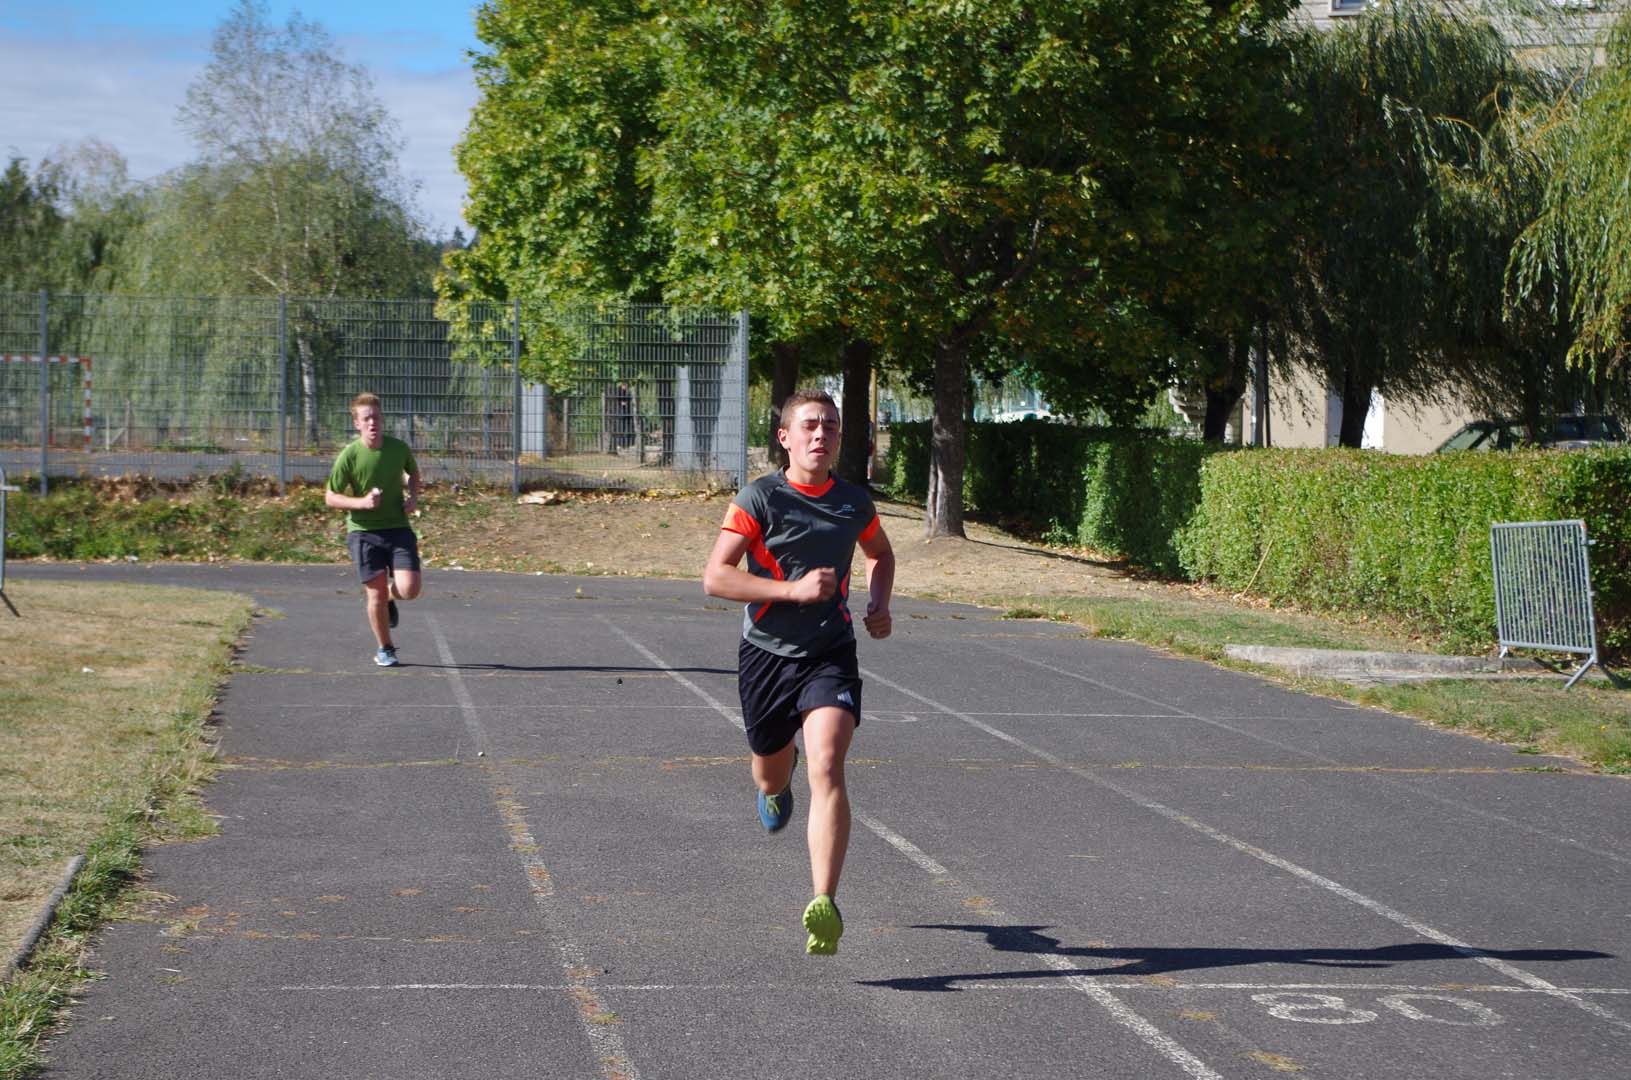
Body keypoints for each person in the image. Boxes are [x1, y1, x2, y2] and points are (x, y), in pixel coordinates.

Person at [703, 389, 895, 955]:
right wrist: (792, 590)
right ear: (784, 438)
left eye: (831, 427)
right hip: (765, 653)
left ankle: (824, 902)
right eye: (810, 425)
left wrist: (879, 604)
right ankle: (773, 787)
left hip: (828, 651)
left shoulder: (853, 502)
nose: (821, 434)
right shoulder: (759, 499)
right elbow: (716, 577)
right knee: (771, 773)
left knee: (828, 764)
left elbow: (880, 555)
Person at [325, 392, 423, 667]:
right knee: (375, 593)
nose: (372, 423)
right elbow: (330, 497)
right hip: (363, 532)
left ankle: (393, 596)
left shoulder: (398, 448)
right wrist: (362, 502)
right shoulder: (350, 456)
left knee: (410, 589)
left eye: (376, 417)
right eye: (366, 419)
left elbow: (413, 475)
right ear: (356, 423)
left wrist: (413, 497)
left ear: (382, 420)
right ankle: (385, 648)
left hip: (398, 528)